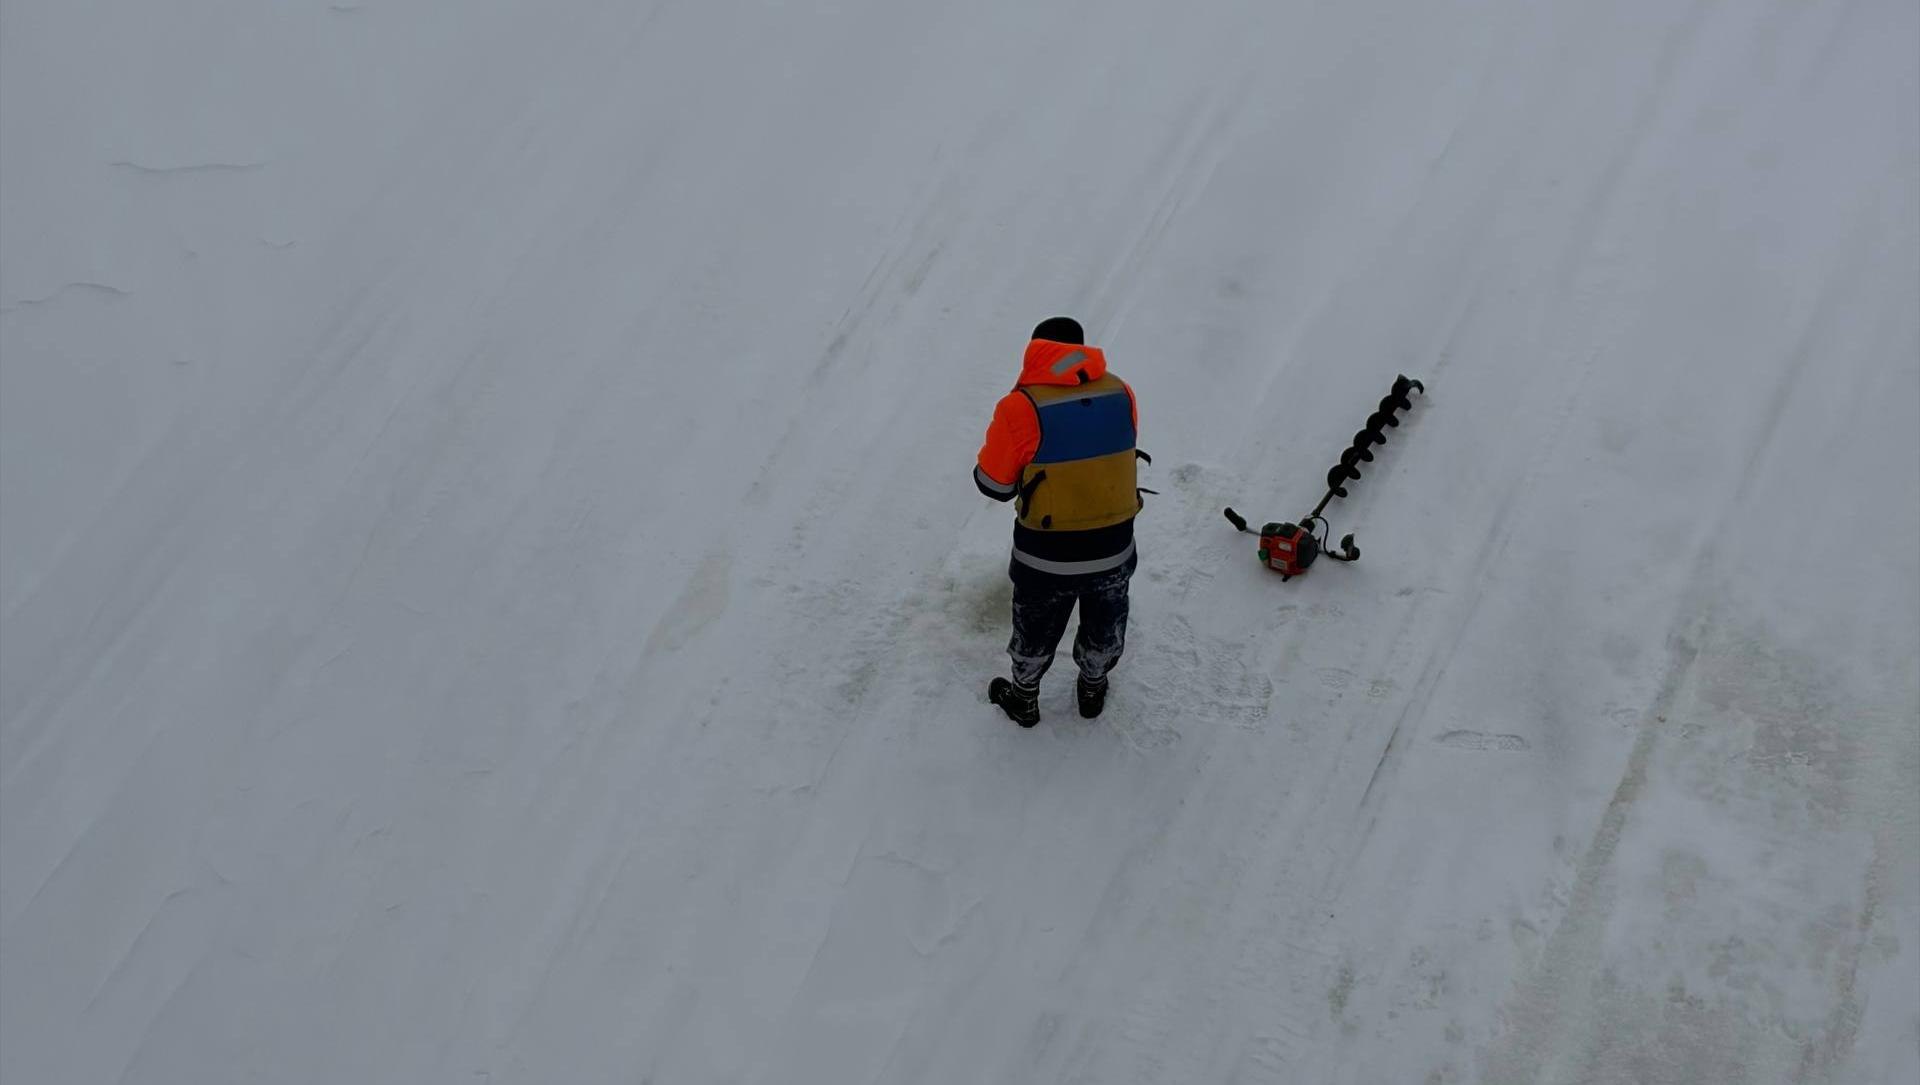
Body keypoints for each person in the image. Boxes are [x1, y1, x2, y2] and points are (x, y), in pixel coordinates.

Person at [973, 316, 1142, 726]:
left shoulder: (1021, 406)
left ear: (1036, 351)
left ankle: (1024, 697)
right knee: (1106, 619)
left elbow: (994, 485)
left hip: (1046, 557)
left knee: (1035, 627)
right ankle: (1093, 686)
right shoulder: (1122, 393)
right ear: (1081, 350)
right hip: (1114, 547)